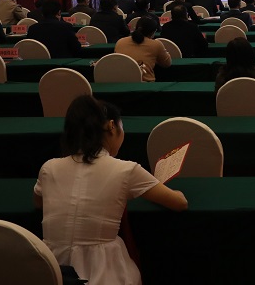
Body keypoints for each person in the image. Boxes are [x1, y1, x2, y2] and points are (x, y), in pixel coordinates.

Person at [33, 95, 187, 285]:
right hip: (102, 273)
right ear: (112, 126)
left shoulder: (48, 167)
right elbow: (179, 203)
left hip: (51, 271)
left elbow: (39, 202)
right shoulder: (126, 170)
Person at [115, 16, 172, 81]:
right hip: (145, 82)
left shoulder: (120, 42)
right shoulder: (156, 44)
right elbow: (167, 64)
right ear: (153, 32)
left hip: (122, 81)